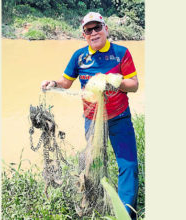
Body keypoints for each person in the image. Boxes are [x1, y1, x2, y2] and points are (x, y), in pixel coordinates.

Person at [41, 12, 139, 219]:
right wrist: (53, 84)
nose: (93, 33)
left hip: (119, 118)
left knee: (128, 166)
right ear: (84, 34)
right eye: (88, 30)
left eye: (97, 28)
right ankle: (95, 205)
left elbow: (134, 85)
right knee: (94, 163)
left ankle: (126, 213)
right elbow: (65, 82)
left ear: (106, 29)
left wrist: (113, 81)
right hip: (92, 121)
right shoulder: (79, 56)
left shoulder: (121, 53)